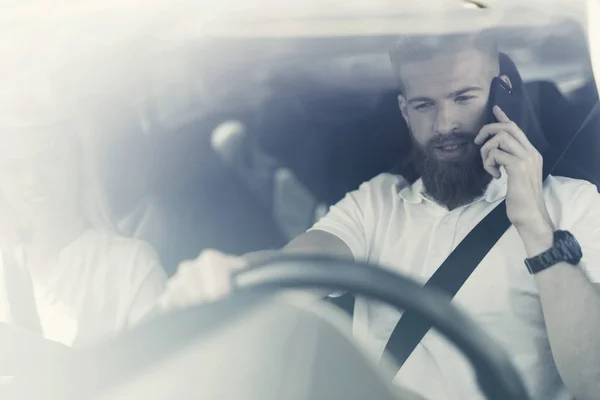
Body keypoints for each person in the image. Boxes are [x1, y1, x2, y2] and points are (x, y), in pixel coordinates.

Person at [159, 32, 600, 400]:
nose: (445, 123)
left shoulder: (573, 205)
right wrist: (233, 274)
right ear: (405, 112)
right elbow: (304, 264)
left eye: (463, 97)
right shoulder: (378, 202)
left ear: (501, 93)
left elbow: (592, 382)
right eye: (425, 105)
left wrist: (535, 227)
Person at [0, 77, 167, 349]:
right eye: (13, 167)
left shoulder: (129, 267)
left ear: (79, 163)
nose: (31, 180)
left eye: (50, 159)